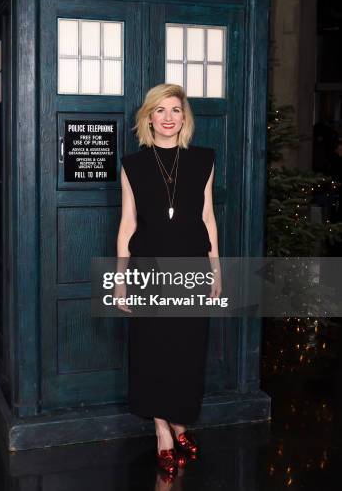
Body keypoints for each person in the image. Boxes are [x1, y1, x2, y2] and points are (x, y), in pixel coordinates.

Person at [117, 83, 221, 479]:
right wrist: (122, 279)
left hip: (193, 267)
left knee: (188, 349)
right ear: (148, 117)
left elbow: (208, 218)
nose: (167, 118)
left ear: (184, 117)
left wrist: (216, 270)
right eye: (159, 110)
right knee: (154, 349)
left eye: (175, 110)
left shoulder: (204, 161)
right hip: (149, 270)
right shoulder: (133, 165)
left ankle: (180, 421)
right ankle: (163, 429)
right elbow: (127, 223)